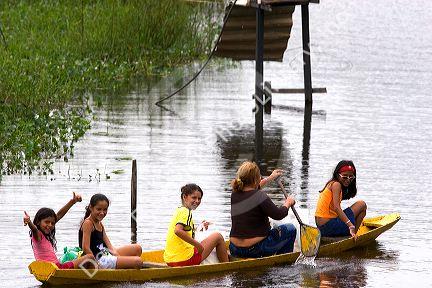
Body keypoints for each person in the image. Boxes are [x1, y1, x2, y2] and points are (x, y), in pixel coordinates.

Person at [229, 161, 297, 258]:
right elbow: (278, 215)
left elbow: (254, 187)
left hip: (234, 248)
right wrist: (288, 203)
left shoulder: (235, 194)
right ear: (255, 179)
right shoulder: (260, 196)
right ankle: (283, 263)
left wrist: (270, 178)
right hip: (255, 249)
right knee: (291, 229)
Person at [23, 192, 95, 269]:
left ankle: (86, 276)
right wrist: (29, 222)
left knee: (80, 256)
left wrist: (72, 202)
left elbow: (60, 214)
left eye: (52, 223)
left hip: (54, 267)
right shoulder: (38, 235)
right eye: (47, 222)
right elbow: (34, 229)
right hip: (57, 268)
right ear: (38, 222)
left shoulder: (46, 233)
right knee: (89, 256)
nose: (50, 225)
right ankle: (94, 277)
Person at [163, 184, 229, 267]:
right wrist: (198, 246)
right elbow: (178, 231)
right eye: (194, 198)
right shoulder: (186, 212)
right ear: (185, 197)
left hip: (170, 260)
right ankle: (227, 267)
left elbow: (185, 230)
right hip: (184, 260)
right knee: (218, 237)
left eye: (199, 198)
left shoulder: (179, 210)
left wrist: (199, 227)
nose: (197, 201)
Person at [79, 193, 143, 269]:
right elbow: (85, 248)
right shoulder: (88, 223)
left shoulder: (100, 224)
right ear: (91, 208)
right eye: (99, 209)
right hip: (98, 260)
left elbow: (110, 246)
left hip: (105, 254)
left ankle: (120, 263)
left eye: (105, 209)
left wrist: (118, 257)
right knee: (138, 261)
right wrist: (95, 263)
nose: (102, 213)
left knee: (137, 248)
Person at [315, 160, 367, 240]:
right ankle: (353, 235)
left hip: (321, 227)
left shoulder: (331, 183)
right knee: (362, 205)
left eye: (351, 177)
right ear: (337, 175)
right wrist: (350, 225)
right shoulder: (336, 184)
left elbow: (335, 209)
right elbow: (337, 208)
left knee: (357, 207)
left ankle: (351, 233)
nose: (348, 179)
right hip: (328, 227)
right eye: (345, 177)